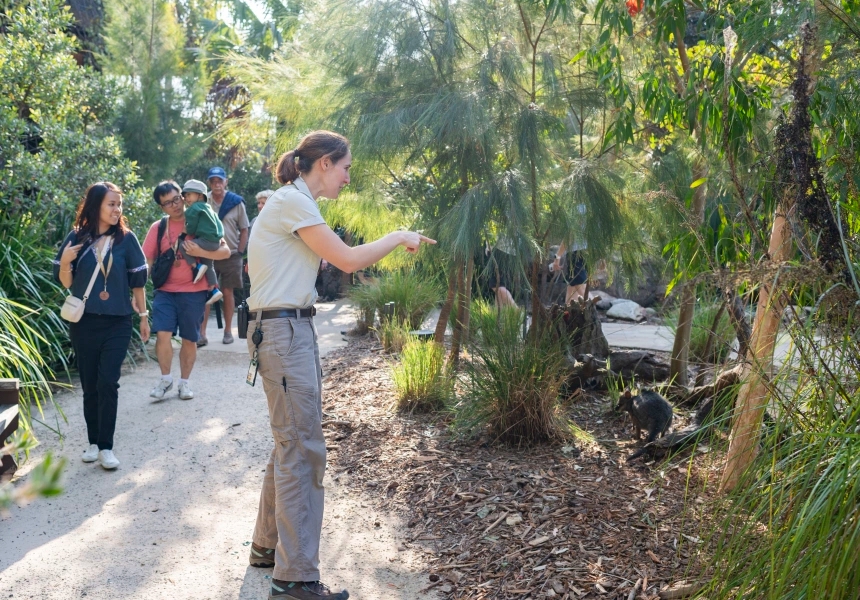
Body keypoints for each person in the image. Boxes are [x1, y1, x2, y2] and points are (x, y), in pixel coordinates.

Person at [246, 130, 434, 600]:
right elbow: (348, 261)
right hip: (285, 333)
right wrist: (397, 236)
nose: (349, 177)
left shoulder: (295, 202)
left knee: (289, 440)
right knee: (302, 448)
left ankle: (269, 549)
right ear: (325, 163)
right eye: (346, 167)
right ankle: (295, 579)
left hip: (289, 329)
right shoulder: (294, 201)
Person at [53, 182, 149, 470]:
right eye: (111, 204)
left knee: (108, 381)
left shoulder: (126, 240)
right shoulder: (76, 238)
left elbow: (138, 283)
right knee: (91, 385)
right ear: (95, 206)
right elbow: (68, 285)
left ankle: (107, 446)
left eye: (119, 204)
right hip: (84, 322)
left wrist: (143, 316)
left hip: (118, 322)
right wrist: (65, 263)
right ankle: (93, 442)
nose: (117, 209)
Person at [142, 181, 231, 401]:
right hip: (165, 291)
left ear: (183, 196)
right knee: (162, 334)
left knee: (190, 339)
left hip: (194, 291)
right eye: (167, 203)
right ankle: (165, 379)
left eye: (176, 199)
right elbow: (148, 261)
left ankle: (184, 383)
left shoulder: (200, 218)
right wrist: (139, 291)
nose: (174, 205)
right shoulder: (158, 228)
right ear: (161, 207)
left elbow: (226, 251)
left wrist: (199, 250)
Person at [200, 166, 249, 346]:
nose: (216, 184)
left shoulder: (236, 202)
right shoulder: (204, 202)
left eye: (220, 181)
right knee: (206, 292)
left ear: (225, 182)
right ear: (209, 183)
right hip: (208, 253)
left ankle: (228, 332)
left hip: (231, 255)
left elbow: (244, 229)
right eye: (213, 181)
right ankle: (201, 333)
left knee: (227, 292)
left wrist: (240, 252)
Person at [178, 178, 224, 304]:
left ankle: (196, 267)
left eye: (189, 195)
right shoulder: (208, 207)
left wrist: (186, 231)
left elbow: (191, 228)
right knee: (209, 265)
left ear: (199, 195)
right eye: (185, 195)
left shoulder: (193, 209)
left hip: (204, 240)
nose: (186, 198)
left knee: (183, 246)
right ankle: (214, 289)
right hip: (215, 242)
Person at [554, 203, 589, 304]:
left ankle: (594, 317)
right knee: (572, 288)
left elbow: (571, 234)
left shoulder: (578, 207)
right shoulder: (590, 206)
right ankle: (567, 318)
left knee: (580, 287)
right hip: (586, 252)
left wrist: (558, 256)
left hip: (577, 253)